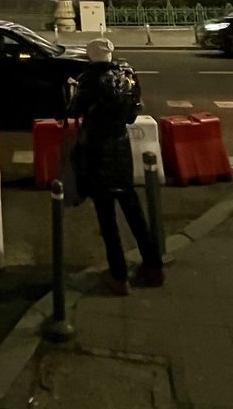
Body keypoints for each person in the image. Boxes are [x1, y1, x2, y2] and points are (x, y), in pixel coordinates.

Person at [67, 36, 164, 294]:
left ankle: (118, 275)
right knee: (132, 208)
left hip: (97, 149)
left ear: (90, 57)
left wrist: (71, 93)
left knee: (106, 215)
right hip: (121, 146)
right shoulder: (128, 76)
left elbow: (73, 110)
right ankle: (153, 267)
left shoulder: (88, 80)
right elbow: (132, 114)